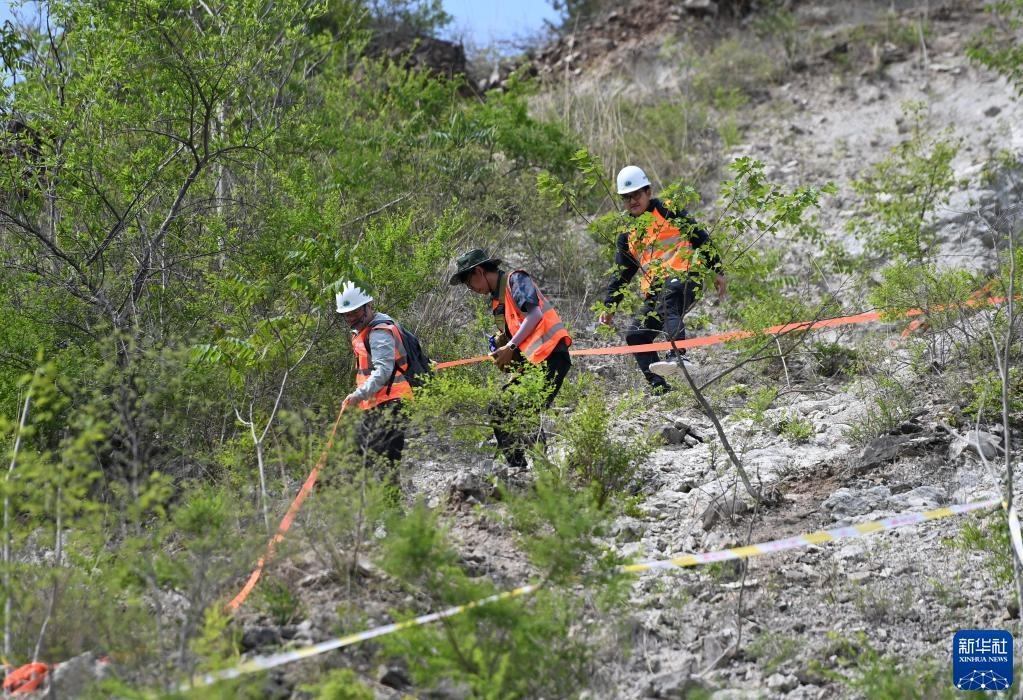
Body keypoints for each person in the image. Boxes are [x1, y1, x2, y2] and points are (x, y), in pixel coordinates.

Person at [599, 165, 726, 393]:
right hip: (656, 289)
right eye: (626, 197)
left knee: (668, 301)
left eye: (636, 194)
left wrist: (717, 270)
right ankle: (660, 389)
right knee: (636, 335)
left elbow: (700, 236)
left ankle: (678, 354)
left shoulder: (668, 210)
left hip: (685, 275)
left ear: (648, 192)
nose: (632, 201)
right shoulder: (627, 235)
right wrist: (610, 306)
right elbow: (621, 275)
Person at [449, 249, 572, 470]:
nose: (471, 289)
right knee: (499, 408)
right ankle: (518, 469)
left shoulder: (516, 279)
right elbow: (517, 335)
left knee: (525, 410)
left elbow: (535, 315)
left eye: (469, 283)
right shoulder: (497, 301)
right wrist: (502, 349)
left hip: (552, 357)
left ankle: (542, 470)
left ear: (479, 271)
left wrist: (510, 346)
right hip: (533, 364)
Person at [338, 281, 411, 477]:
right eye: (347, 314)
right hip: (375, 403)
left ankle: (388, 498)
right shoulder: (363, 330)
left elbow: (383, 370)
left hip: (392, 403)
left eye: (354, 312)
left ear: (368, 306)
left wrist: (358, 395)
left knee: (384, 463)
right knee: (363, 457)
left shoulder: (379, 332)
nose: (351, 318)